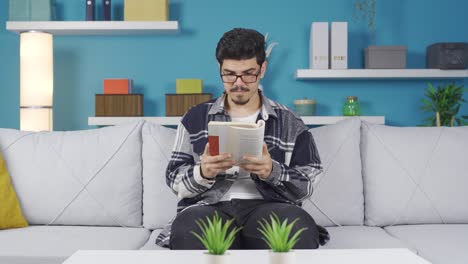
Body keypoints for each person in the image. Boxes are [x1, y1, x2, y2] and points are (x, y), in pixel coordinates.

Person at [156, 28, 328, 249]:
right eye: (229, 74)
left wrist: (272, 171)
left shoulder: (290, 121)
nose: (238, 83)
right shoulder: (194, 117)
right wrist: (202, 172)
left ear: (262, 69)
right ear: (220, 69)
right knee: (189, 229)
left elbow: (310, 181)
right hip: (209, 207)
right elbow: (174, 179)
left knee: (298, 228)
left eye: (248, 73)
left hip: (269, 206)